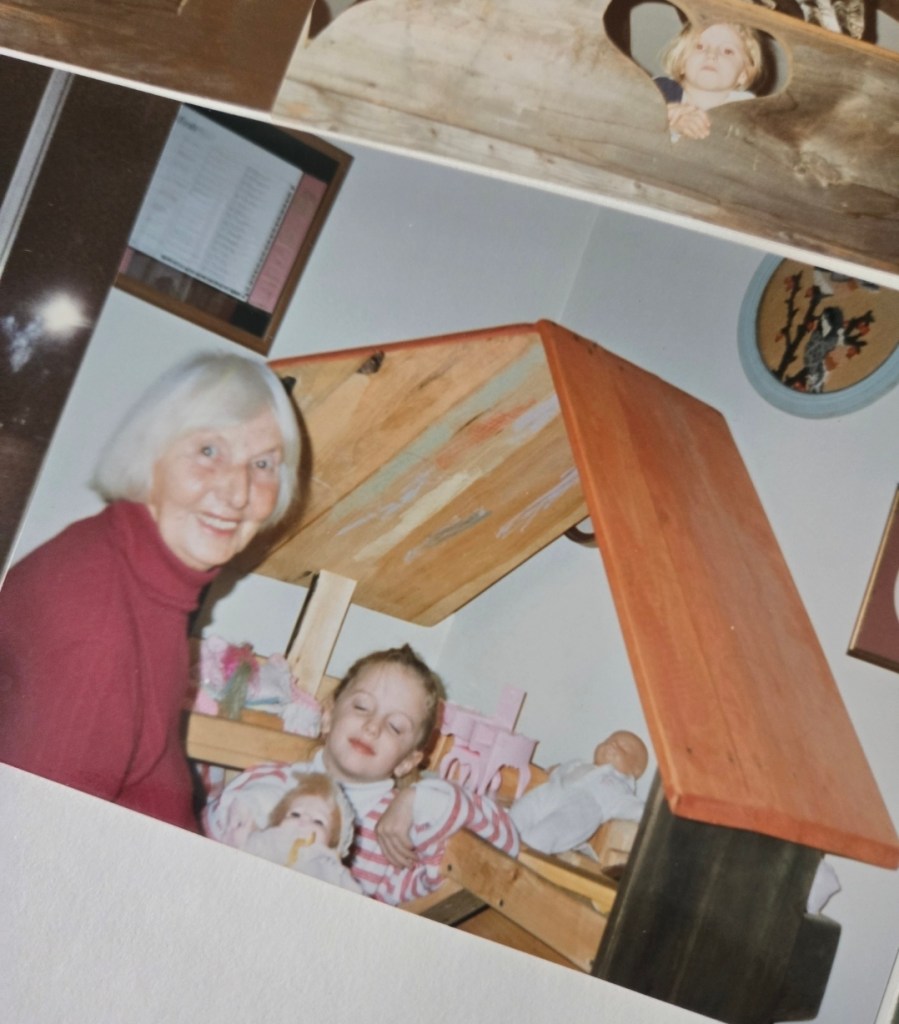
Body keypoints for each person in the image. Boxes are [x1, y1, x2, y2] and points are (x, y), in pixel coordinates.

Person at [0, 352, 301, 831]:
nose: (238, 492)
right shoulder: (97, 622)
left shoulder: (140, 573)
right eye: (209, 451)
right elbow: (32, 843)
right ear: (151, 453)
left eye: (262, 463)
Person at [204, 645, 520, 904]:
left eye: (395, 726)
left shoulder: (398, 835)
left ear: (407, 762)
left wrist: (418, 800)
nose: (372, 727)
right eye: (362, 707)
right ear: (328, 716)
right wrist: (250, 815)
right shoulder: (270, 781)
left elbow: (506, 845)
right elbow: (209, 841)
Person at [509, 730, 648, 855]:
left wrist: (648, 813)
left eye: (623, 748)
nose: (612, 744)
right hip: (556, 790)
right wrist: (555, 770)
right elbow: (563, 770)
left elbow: (636, 809)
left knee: (554, 828)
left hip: (582, 809)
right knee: (527, 805)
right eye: (609, 740)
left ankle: (532, 847)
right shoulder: (581, 764)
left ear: (635, 770)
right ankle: (508, 827)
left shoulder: (620, 789)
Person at [239, 773, 362, 893]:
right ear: (279, 820)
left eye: (318, 822)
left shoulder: (331, 866)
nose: (304, 820)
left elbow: (356, 898)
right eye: (295, 814)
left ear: (333, 843)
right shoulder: (265, 840)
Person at [653, 21, 765, 141]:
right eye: (699, 46)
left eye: (727, 51)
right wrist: (667, 125)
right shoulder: (657, 91)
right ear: (681, 63)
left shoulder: (749, 113)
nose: (711, 54)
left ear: (743, 74)